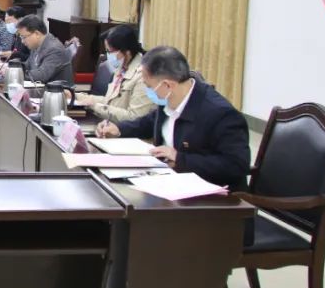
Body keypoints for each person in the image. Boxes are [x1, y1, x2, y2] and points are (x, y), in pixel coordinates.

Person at [95, 46, 250, 192]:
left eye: (149, 86)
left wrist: (179, 158)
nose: (148, 91)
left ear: (168, 85)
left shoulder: (221, 114)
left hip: (212, 197)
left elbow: (236, 165)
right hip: (167, 181)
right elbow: (149, 122)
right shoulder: (169, 99)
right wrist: (119, 129)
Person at [75, 24, 153, 123]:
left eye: (110, 51)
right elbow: (109, 102)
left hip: (124, 130)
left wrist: (94, 106)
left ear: (127, 52)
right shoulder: (121, 68)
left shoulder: (143, 76)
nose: (108, 56)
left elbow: (135, 118)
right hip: (108, 124)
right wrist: (76, 96)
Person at [16, 15, 73, 85]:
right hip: (41, 88)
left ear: (37, 34)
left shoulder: (54, 49)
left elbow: (42, 75)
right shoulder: (36, 45)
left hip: (56, 90)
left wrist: (16, 74)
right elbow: (28, 65)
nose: (22, 41)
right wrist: (13, 67)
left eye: (24, 37)